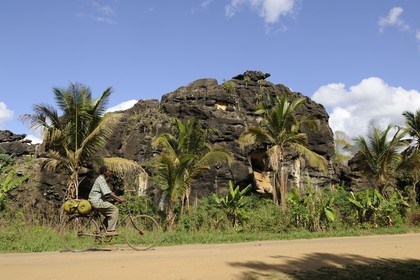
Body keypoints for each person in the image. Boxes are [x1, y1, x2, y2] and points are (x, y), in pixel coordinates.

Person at [88, 166, 126, 236]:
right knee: (114, 210)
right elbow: (108, 193)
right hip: (96, 201)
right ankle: (110, 230)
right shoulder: (101, 180)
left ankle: (99, 232)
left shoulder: (102, 179)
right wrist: (119, 199)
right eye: (108, 171)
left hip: (98, 201)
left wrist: (117, 199)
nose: (110, 173)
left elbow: (108, 194)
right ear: (104, 172)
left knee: (109, 215)